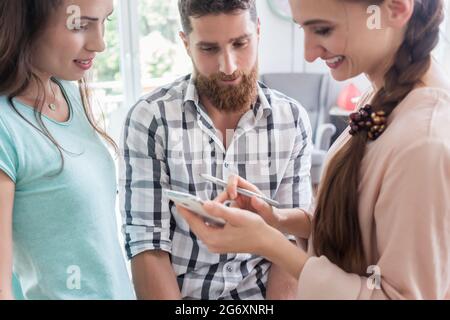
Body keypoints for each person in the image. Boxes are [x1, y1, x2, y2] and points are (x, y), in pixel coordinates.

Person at [178, 0, 450, 299]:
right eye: (304, 29)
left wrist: (270, 243)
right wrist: (276, 219)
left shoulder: (424, 142)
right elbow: (358, 228)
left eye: (323, 29)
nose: (308, 54)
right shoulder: (380, 101)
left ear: (395, 9)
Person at [119, 0, 313, 300]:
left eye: (240, 43)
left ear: (258, 32)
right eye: (209, 49)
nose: (229, 66)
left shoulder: (292, 119)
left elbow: (289, 245)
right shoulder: (151, 119)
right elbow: (147, 245)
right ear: (186, 44)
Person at [0, 0, 134, 300]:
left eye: (105, 22)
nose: (99, 44)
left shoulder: (68, 93)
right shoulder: (5, 127)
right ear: (26, 21)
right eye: (80, 25)